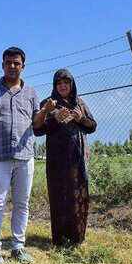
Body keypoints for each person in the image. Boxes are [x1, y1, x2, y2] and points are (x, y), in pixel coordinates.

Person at [0, 47, 52, 264]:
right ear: (2, 65)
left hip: (25, 155)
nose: (12, 66)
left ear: (23, 66)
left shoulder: (31, 92)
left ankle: (18, 246)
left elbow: (36, 124)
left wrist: (44, 111)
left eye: (16, 63)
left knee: (21, 203)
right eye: (8, 62)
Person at [34, 69, 97, 245]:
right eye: (59, 83)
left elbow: (92, 127)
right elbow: (37, 130)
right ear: (54, 86)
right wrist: (54, 118)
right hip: (56, 160)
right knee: (58, 197)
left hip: (77, 161)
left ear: (71, 84)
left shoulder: (79, 103)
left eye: (66, 82)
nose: (62, 86)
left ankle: (77, 238)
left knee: (77, 197)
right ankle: (60, 239)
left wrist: (81, 119)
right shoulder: (48, 104)